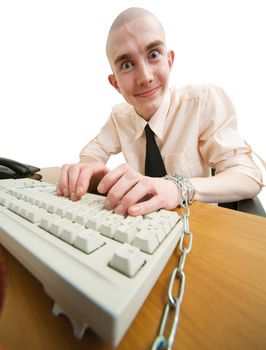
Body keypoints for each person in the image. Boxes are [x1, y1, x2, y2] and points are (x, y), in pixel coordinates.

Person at [57, 7, 263, 216]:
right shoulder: (119, 116)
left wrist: (177, 188)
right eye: (127, 65)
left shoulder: (203, 101)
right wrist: (88, 169)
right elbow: (94, 151)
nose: (145, 77)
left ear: (169, 60)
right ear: (115, 83)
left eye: (153, 54)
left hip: (198, 228)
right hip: (143, 228)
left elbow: (248, 176)